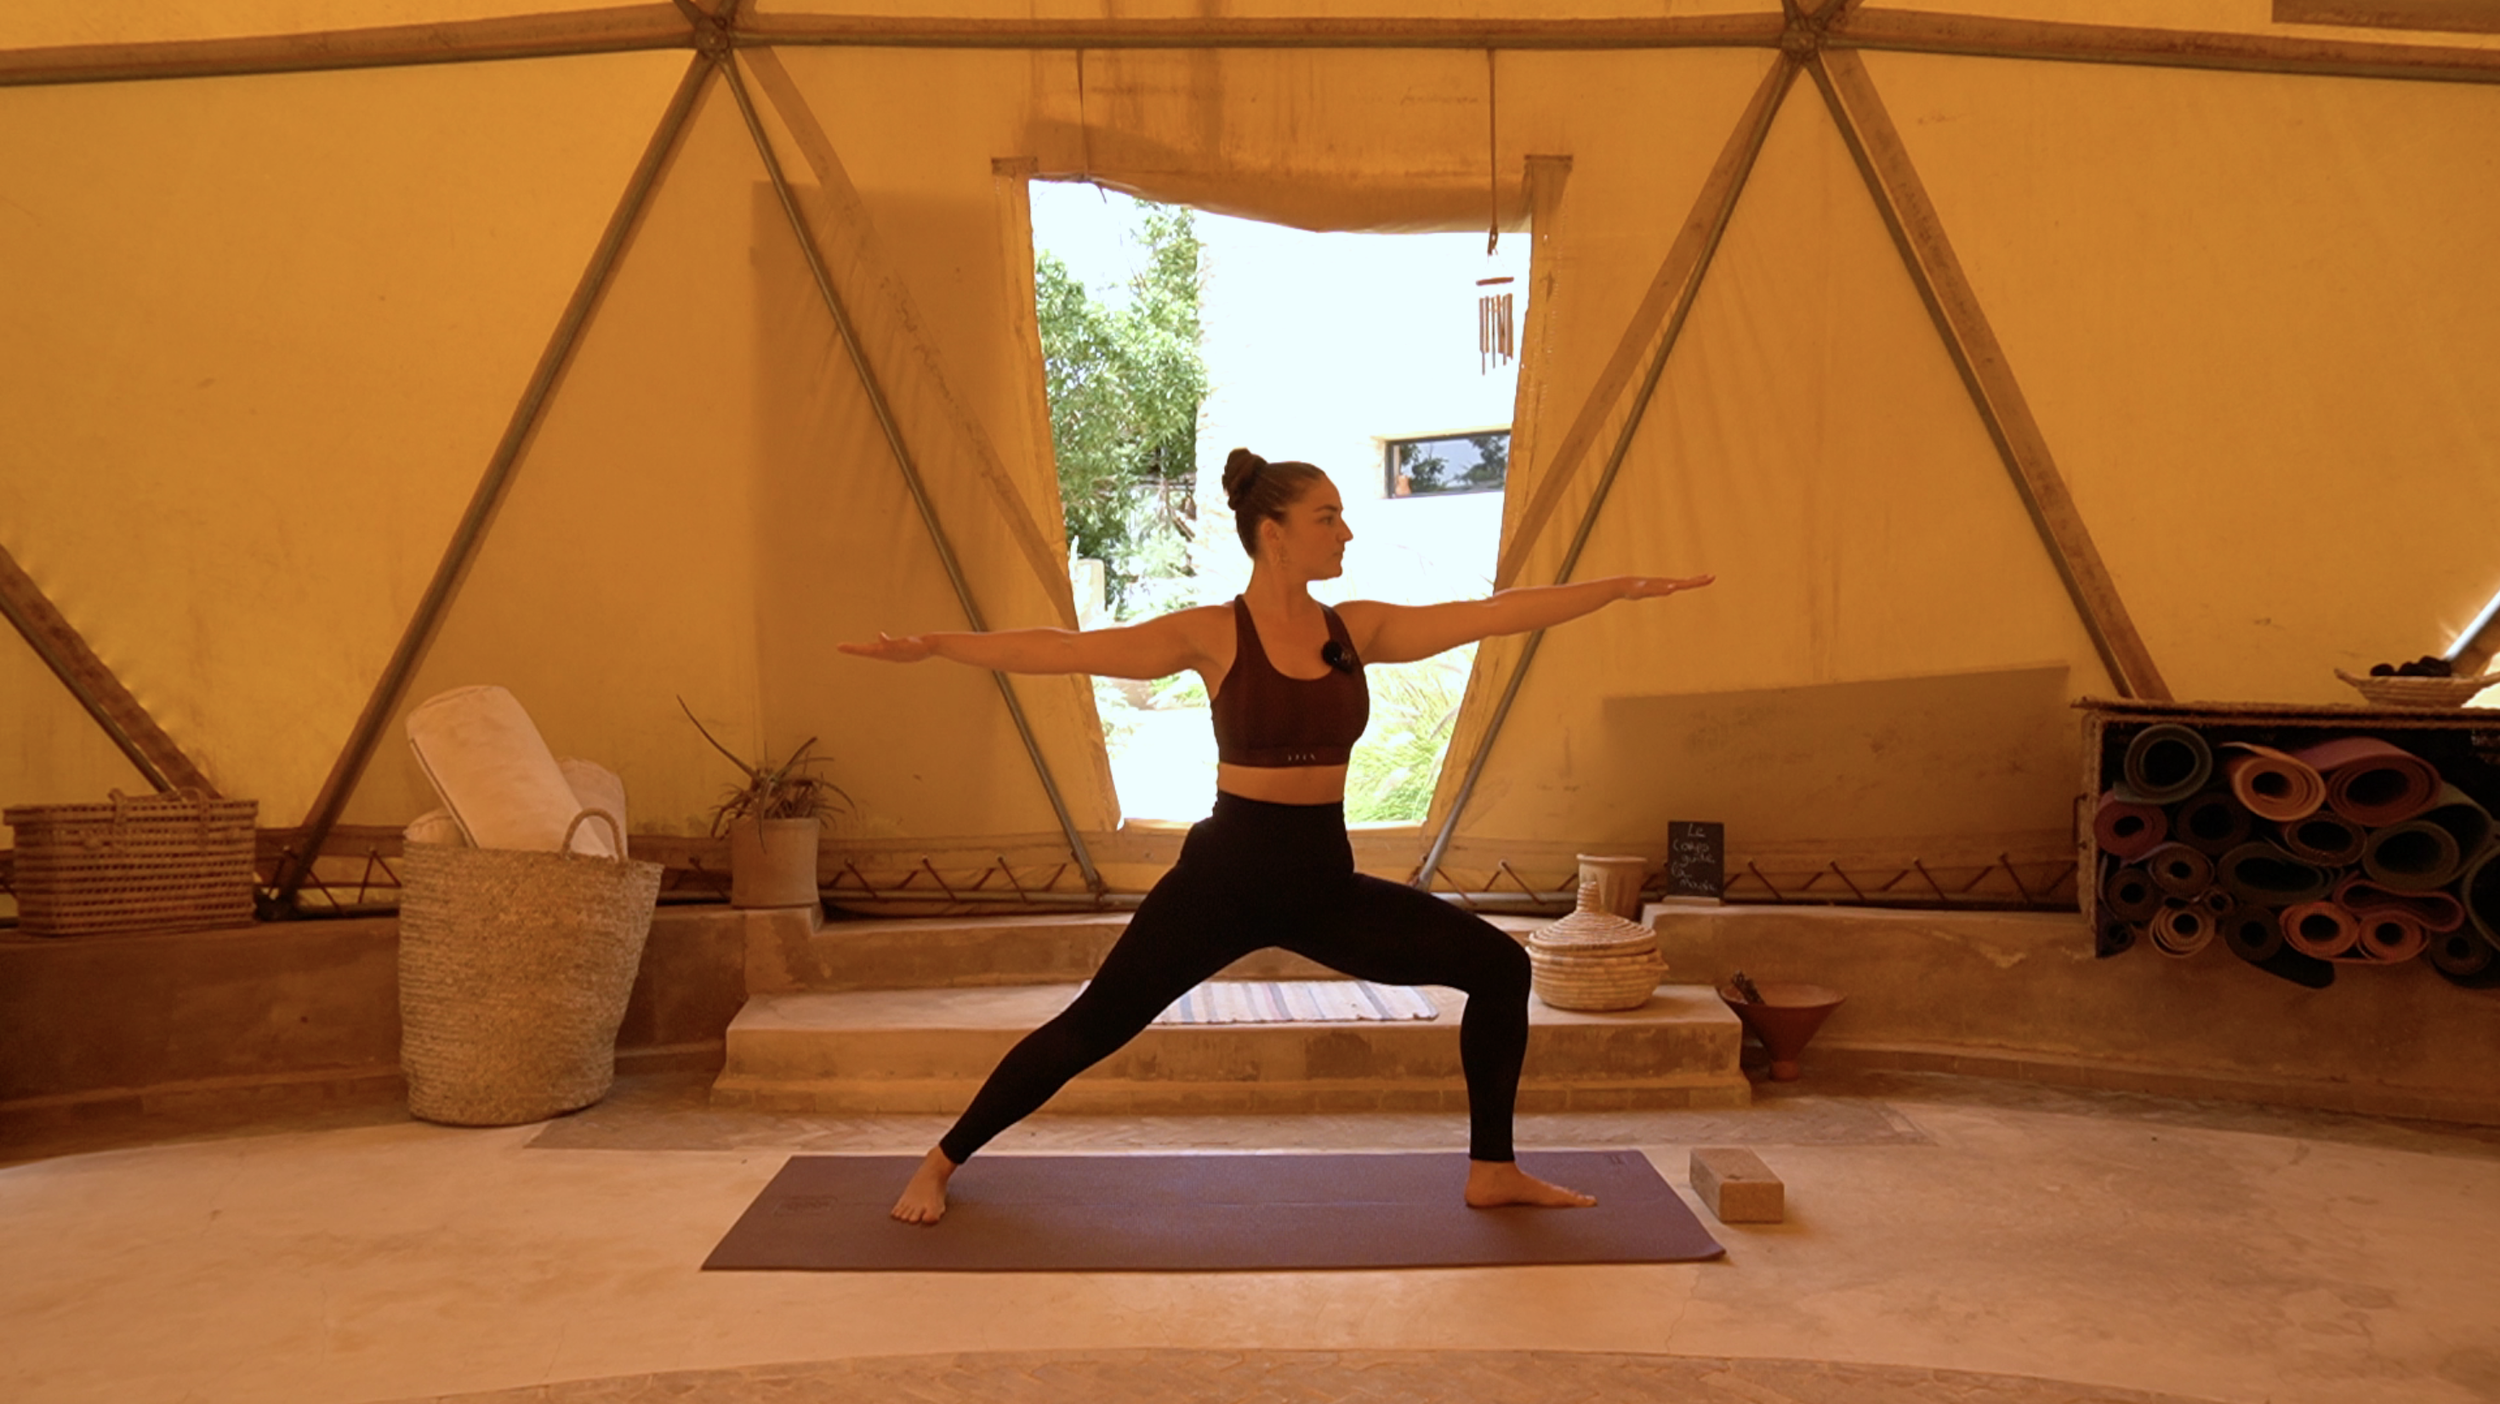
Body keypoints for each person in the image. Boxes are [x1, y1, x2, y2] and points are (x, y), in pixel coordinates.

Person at [841, 447, 1713, 1225]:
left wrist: (1617, 590)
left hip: (1320, 883)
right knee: (1093, 1026)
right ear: (1275, 533)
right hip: (1224, 876)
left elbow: (1490, 614)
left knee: (1501, 967)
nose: (1346, 532)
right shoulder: (1214, 633)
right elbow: (1066, 649)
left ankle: (1493, 1169)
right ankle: (942, 1158)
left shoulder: (1355, 630)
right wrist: (938, 647)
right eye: (1327, 516)